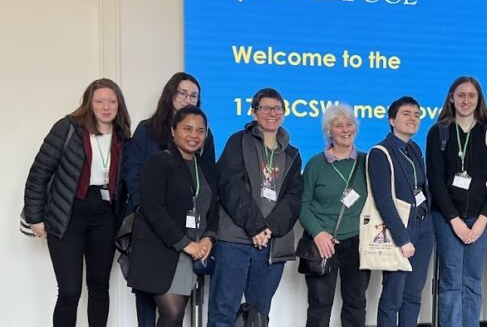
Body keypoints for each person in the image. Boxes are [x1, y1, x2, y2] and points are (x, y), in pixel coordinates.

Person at [23, 78, 131, 327]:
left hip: (104, 215)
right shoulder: (68, 127)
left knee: (99, 287)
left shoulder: (122, 135)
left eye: (112, 101)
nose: (106, 107)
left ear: (119, 105)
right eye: (100, 101)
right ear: (89, 104)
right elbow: (39, 172)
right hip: (67, 212)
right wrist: (35, 217)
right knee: (70, 291)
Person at [120, 72, 215, 327]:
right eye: (187, 129)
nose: (194, 135)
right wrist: (145, 209)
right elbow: (141, 187)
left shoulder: (201, 161)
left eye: (199, 131)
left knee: (173, 316)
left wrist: (207, 236)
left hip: (189, 243)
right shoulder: (154, 147)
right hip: (155, 237)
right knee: (160, 312)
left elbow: (210, 198)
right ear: (173, 131)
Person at [210, 88, 303, 326]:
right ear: (254, 113)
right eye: (265, 108)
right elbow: (230, 185)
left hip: (272, 246)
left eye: (277, 108)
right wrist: (255, 227)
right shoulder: (238, 141)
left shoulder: (293, 154)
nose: (272, 113)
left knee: (258, 315)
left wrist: (268, 228)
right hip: (235, 241)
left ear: (284, 113)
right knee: (224, 311)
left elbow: (293, 197)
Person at [426, 77, 487, 327]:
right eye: (461, 95)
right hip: (448, 218)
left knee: (472, 280)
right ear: (451, 98)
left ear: (479, 99)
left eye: (471, 95)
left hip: (480, 218)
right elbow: (435, 182)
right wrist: (454, 220)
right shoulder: (438, 131)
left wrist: (483, 219)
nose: (466, 100)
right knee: (450, 280)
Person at [299, 104, 370, 327]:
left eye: (350, 124)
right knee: (319, 306)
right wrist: (318, 234)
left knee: (356, 305)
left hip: (358, 242)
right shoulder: (315, 164)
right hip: (322, 244)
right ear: (329, 132)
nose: (345, 129)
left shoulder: (367, 162)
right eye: (338, 125)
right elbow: (302, 205)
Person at [368, 96, 435, 327]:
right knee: (392, 297)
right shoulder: (380, 152)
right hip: (401, 232)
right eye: (406, 114)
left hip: (424, 228)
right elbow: (384, 200)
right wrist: (402, 238)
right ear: (392, 120)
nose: (413, 119)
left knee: (413, 295)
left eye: (417, 115)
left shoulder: (414, 148)